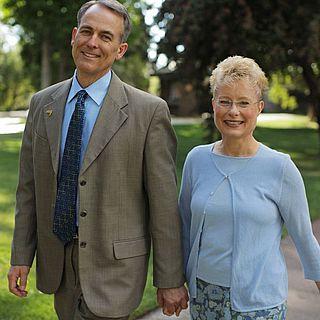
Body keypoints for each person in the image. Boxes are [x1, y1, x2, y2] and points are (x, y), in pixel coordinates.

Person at [7, 1, 188, 319]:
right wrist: (21, 256)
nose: (93, 42)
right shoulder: (41, 104)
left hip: (115, 270)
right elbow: (29, 189)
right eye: (87, 32)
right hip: (58, 264)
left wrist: (170, 279)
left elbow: (163, 205)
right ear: (74, 36)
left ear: (120, 50)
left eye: (106, 36)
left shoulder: (149, 111)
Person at [179, 55, 320, 320]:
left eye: (244, 103)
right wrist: (174, 281)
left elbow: (304, 237)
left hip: (260, 303)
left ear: (259, 108)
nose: (234, 111)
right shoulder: (196, 159)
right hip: (204, 299)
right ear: (213, 105)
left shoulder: (280, 168)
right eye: (225, 101)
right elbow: (184, 226)